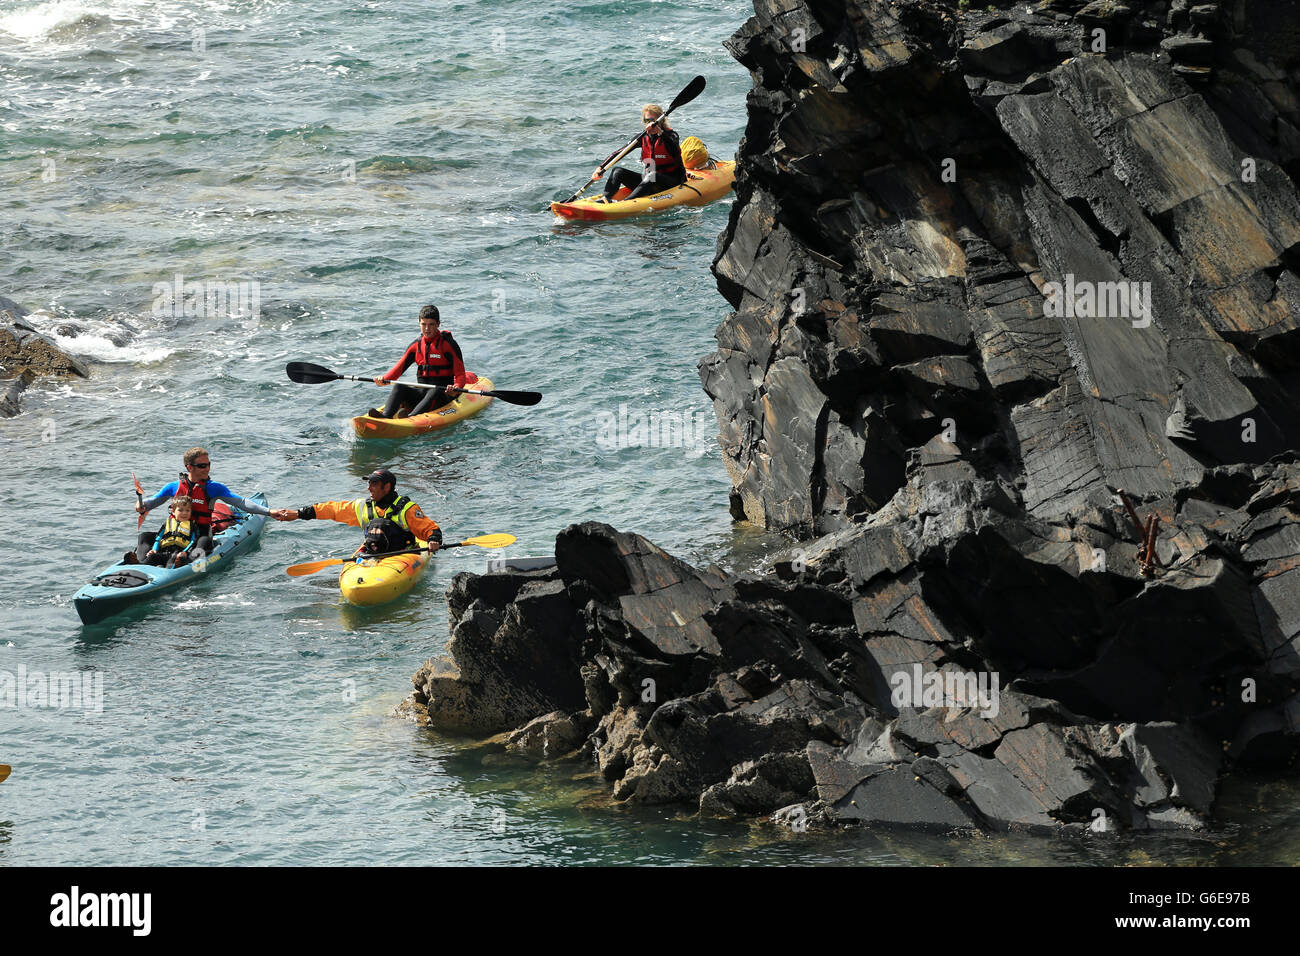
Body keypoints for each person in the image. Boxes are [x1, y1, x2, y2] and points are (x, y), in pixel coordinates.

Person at [134, 447, 275, 560]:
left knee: (202, 545)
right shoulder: (173, 487)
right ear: (189, 467)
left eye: (208, 464)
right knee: (144, 536)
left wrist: (269, 512)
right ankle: (140, 562)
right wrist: (141, 505)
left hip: (200, 532)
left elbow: (241, 502)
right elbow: (151, 502)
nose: (207, 468)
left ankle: (182, 562)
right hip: (175, 531)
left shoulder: (213, 487)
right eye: (202, 466)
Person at [271, 469, 444, 556]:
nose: (369, 488)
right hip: (374, 551)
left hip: (403, 553)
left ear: (387, 487)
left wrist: (434, 539)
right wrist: (298, 514)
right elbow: (331, 509)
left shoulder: (406, 508)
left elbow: (430, 529)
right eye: (369, 484)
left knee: (382, 525)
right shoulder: (363, 506)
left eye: (374, 484)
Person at [370, 305, 468, 419]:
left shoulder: (448, 345)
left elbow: (461, 374)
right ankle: (385, 417)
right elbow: (398, 370)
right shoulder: (415, 346)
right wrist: (383, 379)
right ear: (419, 323)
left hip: (443, 396)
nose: (427, 328)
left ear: (438, 324)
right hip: (422, 396)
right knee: (399, 386)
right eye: (423, 324)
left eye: (431, 324)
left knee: (434, 391)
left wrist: (456, 388)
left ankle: (411, 418)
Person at [595, 104, 685, 203]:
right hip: (649, 182)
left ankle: (626, 203)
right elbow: (621, 152)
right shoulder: (642, 137)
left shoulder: (671, 135)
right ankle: (605, 198)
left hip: (671, 182)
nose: (650, 124)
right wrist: (601, 167)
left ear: (661, 121)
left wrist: (660, 133)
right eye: (647, 121)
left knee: (652, 175)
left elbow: (674, 150)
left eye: (653, 121)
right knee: (618, 171)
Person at [124, 496, 199, 568]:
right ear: (173, 511)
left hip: (178, 554)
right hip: (164, 552)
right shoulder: (167, 523)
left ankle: (171, 569)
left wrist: (185, 552)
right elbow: (158, 538)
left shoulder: (193, 526)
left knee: (173, 560)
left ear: (191, 512)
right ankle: (138, 564)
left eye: (187, 510)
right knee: (152, 557)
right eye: (180, 510)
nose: (184, 513)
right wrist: (154, 550)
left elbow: (193, 542)